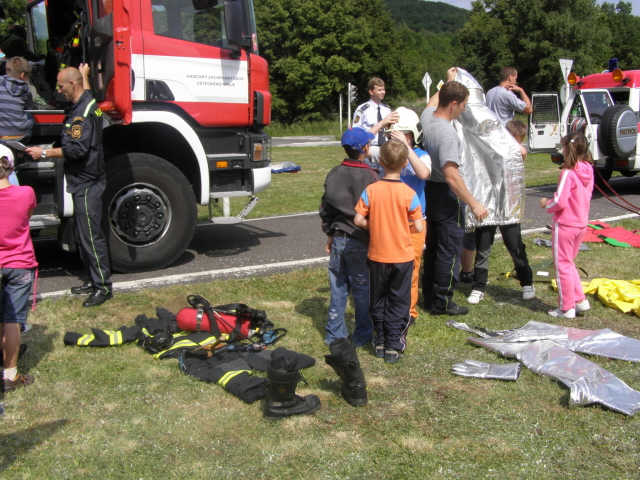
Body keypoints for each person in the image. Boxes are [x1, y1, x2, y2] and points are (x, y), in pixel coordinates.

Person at [25, 64, 113, 308]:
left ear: (71, 85)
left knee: (90, 236)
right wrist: (84, 75)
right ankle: (92, 279)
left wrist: (43, 152)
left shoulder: (80, 115)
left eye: (61, 85)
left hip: (87, 180)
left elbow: (76, 149)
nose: (58, 90)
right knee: (82, 234)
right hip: (83, 180)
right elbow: (87, 94)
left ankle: (103, 287)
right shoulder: (86, 102)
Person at [420, 68, 488, 316]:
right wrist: (474, 203)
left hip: (430, 193)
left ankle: (430, 298)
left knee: (434, 247)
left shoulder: (427, 119)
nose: (464, 110)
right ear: (455, 103)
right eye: (463, 105)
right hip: (447, 196)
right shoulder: (447, 133)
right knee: (449, 252)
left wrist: (449, 82)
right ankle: (443, 302)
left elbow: (432, 102)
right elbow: (451, 175)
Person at [354, 138, 424, 363]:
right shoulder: (409, 193)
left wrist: (374, 224)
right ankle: (395, 343)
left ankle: (381, 339)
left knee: (378, 298)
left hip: (377, 255)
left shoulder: (371, 190)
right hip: (403, 256)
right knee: (399, 300)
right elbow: (420, 225)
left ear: (381, 161)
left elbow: (358, 219)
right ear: (405, 164)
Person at [319, 127, 380, 347]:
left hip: (339, 237)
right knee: (362, 289)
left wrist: (329, 233)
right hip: (360, 239)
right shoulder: (371, 176)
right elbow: (375, 210)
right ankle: (363, 334)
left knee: (338, 286)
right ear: (365, 148)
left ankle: (334, 333)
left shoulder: (334, 172)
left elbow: (326, 207)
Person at [466, 118, 535, 304]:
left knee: (516, 246)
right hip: (488, 203)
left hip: (509, 206)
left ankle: (527, 283)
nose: (517, 143)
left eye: (519, 140)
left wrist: (511, 142)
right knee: (483, 247)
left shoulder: (517, 150)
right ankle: (478, 286)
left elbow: (521, 152)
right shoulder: (492, 148)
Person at [384, 107, 431, 325]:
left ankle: (409, 311)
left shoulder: (421, 155)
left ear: (413, 134)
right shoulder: (387, 155)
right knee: (388, 267)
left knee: (411, 268)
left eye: (405, 133)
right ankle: (390, 305)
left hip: (414, 223)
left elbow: (424, 173)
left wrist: (406, 146)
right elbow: (361, 150)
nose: (400, 139)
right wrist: (382, 125)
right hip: (391, 221)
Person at [540, 132, 594, 319]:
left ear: (567, 149)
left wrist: (548, 204)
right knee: (569, 262)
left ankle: (566, 307)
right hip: (581, 224)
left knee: (562, 265)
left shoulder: (568, 173)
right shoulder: (588, 169)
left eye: (562, 147)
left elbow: (560, 201)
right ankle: (579, 300)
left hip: (565, 224)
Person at [0, 145, 36, 392]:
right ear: (10, 167)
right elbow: (27, 217)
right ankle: (10, 375)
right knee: (12, 319)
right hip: (19, 263)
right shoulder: (26, 193)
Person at [352, 77, 391, 164]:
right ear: (371, 91)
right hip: (369, 150)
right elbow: (356, 132)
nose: (383, 92)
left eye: (384, 89)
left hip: (385, 150)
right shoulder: (362, 110)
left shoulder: (387, 109)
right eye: (380, 90)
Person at [0, 56, 34, 142]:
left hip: (1, 135)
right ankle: (22, 147)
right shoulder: (26, 89)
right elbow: (30, 107)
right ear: (22, 75)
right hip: (20, 135)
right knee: (30, 117)